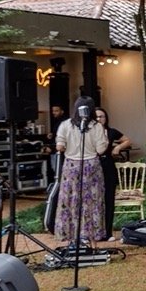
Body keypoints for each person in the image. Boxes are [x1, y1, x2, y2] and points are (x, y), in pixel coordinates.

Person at [54, 96, 108, 244]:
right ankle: (89, 233)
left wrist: (69, 145)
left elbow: (59, 146)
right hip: (91, 166)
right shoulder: (96, 126)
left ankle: (71, 233)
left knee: (70, 199)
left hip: (71, 165)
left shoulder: (65, 125)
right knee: (91, 201)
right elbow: (101, 149)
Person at [95, 107, 132, 241]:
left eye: (102, 116)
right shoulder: (88, 133)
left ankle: (108, 232)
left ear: (106, 118)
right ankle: (93, 232)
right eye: (96, 117)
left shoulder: (111, 132)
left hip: (108, 166)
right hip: (93, 166)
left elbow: (127, 140)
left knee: (109, 198)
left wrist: (117, 147)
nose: (99, 119)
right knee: (94, 199)